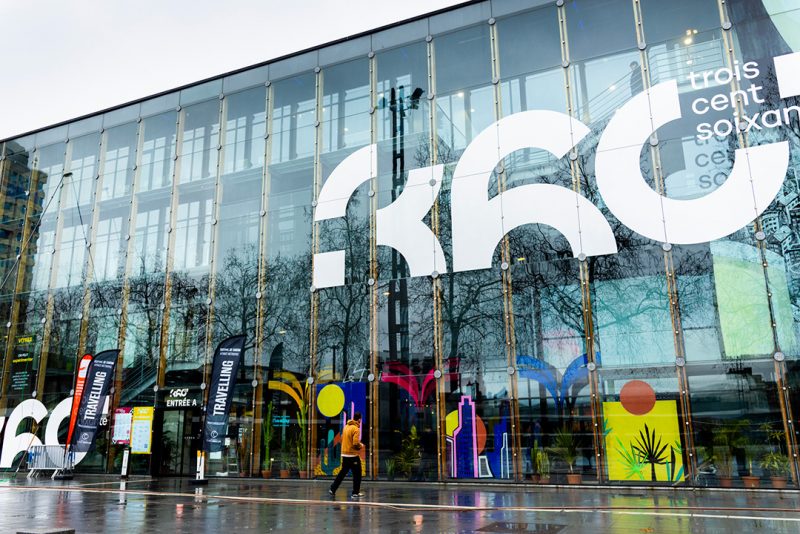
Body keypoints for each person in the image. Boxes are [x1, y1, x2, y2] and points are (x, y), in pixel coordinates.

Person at [329, 412, 364, 498]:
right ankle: (355, 493)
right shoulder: (356, 429)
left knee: (342, 473)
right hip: (353, 455)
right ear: (359, 419)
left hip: (344, 454)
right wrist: (361, 445)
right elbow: (355, 443)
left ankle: (333, 488)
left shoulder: (346, 427)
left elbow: (342, 438)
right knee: (357, 474)